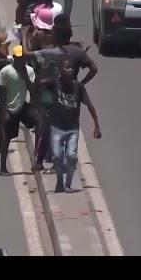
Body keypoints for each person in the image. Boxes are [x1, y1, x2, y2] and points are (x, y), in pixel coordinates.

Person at [40, 56, 102, 193]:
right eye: (66, 67)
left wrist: (96, 124)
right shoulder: (53, 84)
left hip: (72, 129)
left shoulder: (78, 87)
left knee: (71, 157)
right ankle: (59, 183)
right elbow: (43, 97)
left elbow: (89, 105)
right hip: (56, 127)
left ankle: (68, 184)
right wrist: (46, 112)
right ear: (60, 70)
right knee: (57, 156)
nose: (70, 70)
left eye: (71, 68)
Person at [0, 45, 37, 176]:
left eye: (23, 58)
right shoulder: (6, 72)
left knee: (41, 122)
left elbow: (33, 91)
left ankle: (40, 158)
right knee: (5, 139)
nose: (21, 60)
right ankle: (3, 167)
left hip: (22, 106)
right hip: (8, 107)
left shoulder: (29, 71)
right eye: (18, 58)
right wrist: (4, 113)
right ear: (14, 58)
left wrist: (25, 76)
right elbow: (2, 94)